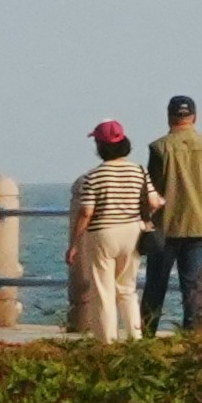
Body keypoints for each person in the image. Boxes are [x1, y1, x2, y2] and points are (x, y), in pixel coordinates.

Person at [141, 97, 202, 331]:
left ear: (169, 117)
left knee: (155, 285)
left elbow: (152, 189)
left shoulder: (158, 147)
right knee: (192, 286)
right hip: (200, 225)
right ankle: (190, 335)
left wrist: (143, 221)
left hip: (165, 227)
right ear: (195, 117)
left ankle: (147, 333)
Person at [66, 119, 146, 344]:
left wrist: (74, 243)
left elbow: (86, 212)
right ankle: (135, 337)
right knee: (127, 289)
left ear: (100, 147)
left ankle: (106, 341)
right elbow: (154, 201)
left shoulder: (94, 176)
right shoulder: (139, 171)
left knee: (103, 290)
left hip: (103, 233)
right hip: (133, 232)